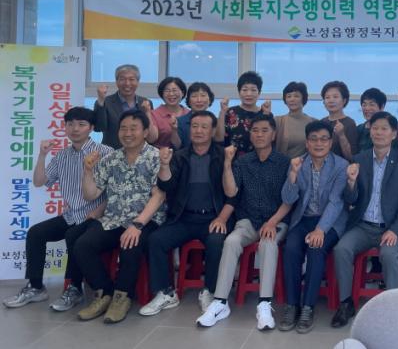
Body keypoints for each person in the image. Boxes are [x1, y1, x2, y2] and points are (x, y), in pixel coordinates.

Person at [2, 107, 112, 311]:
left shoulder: (105, 153)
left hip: (96, 216)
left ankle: (74, 289)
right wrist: (42, 155)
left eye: (81, 124)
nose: (75, 129)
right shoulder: (62, 155)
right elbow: (39, 181)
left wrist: (99, 210)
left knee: (73, 236)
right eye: (70, 124)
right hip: (72, 215)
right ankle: (36, 287)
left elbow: (114, 190)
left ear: (91, 128)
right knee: (35, 233)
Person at [197, 114, 291, 330]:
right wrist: (227, 164)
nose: (259, 135)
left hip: (275, 220)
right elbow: (231, 192)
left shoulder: (284, 162)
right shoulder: (242, 161)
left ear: (273, 135)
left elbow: (289, 201)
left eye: (264, 130)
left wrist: (272, 222)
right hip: (248, 220)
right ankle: (220, 302)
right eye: (255, 130)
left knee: (268, 243)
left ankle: (264, 304)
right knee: (231, 241)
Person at [75, 110, 166, 323]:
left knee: (130, 245)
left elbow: (159, 195)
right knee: (83, 245)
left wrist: (137, 225)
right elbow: (91, 194)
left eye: (133, 128)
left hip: (147, 219)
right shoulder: (111, 159)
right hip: (114, 218)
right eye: (123, 128)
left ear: (145, 132)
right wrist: (87, 171)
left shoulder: (156, 157)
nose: (127, 133)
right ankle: (104, 292)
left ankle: (122, 297)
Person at [139, 111, 233, 317]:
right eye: (194, 126)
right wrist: (164, 165)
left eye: (204, 127)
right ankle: (166, 293)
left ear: (213, 131)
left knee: (217, 242)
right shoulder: (179, 156)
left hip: (212, 218)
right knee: (156, 240)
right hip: (183, 218)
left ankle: (210, 291)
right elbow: (167, 186)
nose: (198, 131)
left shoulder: (222, 156)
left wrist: (221, 218)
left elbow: (232, 195)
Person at [331, 111, 398, 328]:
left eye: (384, 129)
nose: (379, 132)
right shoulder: (359, 159)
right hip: (362, 225)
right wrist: (351, 183)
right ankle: (346, 303)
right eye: (375, 128)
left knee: (389, 255)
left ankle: (393, 305)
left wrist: (395, 230)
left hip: (388, 227)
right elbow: (350, 199)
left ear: (394, 134)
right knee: (341, 249)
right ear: (370, 131)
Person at [279, 120, 349, 333]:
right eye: (314, 139)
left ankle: (308, 307)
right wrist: (292, 175)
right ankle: (292, 305)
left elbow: (336, 202)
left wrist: (320, 229)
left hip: (330, 222)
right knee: (291, 249)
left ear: (330, 142)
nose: (319, 143)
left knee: (316, 249)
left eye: (324, 139)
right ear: (307, 143)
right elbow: (288, 199)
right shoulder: (298, 163)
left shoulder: (341, 166)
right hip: (303, 220)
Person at [94, 64, 153, 149]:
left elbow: (150, 132)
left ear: (138, 82)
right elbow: (99, 128)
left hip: (139, 153)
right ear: (116, 81)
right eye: (122, 79)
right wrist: (100, 100)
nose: (127, 83)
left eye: (131, 79)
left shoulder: (146, 103)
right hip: (112, 152)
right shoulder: (105, 102)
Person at [216, 71, 271, 156]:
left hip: (259, 161)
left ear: (259, 92)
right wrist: (222, 112)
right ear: (239, 92)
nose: (249, 94)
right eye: (245, 90)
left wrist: (266, 114)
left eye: (253, 90)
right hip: (232, 161)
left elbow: (269, 141)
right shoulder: (230, 112)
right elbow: (219, 139)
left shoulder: (265, 113)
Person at [275, 81, 315, 158]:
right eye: (289, 96)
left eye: (296, 96)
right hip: (283, 164)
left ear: (303, 98)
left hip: (307, 164)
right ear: (285, 100)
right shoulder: (278, 121)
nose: (292, 99)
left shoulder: (313, 122)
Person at [147, 76, 189, 148]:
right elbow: (151, 139)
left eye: (174, 90)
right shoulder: (154, 114)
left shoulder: (189, 113)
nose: (171, 94)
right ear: (162, 94)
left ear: (182, 93)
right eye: (167, 91)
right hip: (160, 153)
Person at [321, 80, 358, 161]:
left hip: (341, 167)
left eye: (335, 97)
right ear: (324, 102)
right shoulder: (322, 122)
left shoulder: (349, 123)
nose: (331, 100)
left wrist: (341, 135)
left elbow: (351, 156)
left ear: (344, 100)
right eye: (327, 97)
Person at [173, 82, 215, 149]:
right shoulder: (180, 121)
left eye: (203, 95)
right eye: (194, 96)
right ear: (188, 100)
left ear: (209, 99)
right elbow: (177, 147)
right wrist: (173, 131)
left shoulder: (216, 122)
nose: (199, 100)